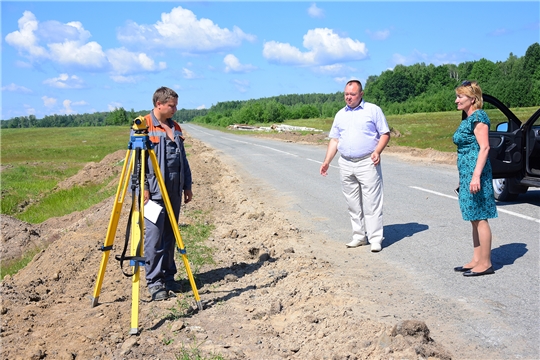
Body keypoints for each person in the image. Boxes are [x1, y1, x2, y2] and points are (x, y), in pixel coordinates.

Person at [320, 79, 390, 252]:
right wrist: (327, 161)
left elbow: (385, 133)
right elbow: (335, 139)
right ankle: (359, 236)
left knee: (372, 202)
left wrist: (377, 151)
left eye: (352, 94)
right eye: (346, 94)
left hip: (367, 161)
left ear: (361, 94)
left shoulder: (372, 110)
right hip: (345, 162)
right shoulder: (340, 114)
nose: (348, 97)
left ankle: (375, 238)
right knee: (352, 202)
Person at [138, 86, 193, 300]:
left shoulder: (175, 127)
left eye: (176, 105)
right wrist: (143, 189)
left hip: (174, 189)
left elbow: (184, 160)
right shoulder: (144, 126)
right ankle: (155, 282)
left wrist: (187, 185)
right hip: (153, 193)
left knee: (171, 234)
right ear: (158, 104)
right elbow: (138, 163)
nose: (175, 109)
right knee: (154, 237)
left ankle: (169, 277)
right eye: (172, 105)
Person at [452, 80, 497, 277]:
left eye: (460, 97)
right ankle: (476, 259)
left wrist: (476, 176)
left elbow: (485, 147)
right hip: (467, 174)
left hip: (476, 173)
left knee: (480, 217)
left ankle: (486, 263)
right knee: (473, 218)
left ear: (473, 99)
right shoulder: (468, 118)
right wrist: (464, 178)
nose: (456, 100)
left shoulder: (479, 116)